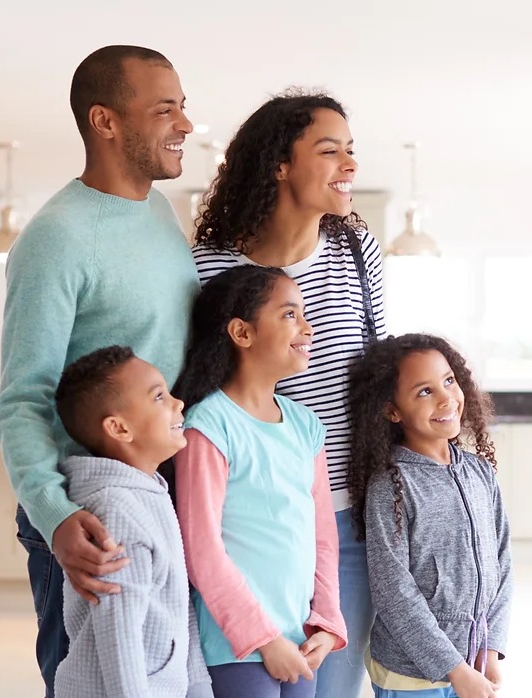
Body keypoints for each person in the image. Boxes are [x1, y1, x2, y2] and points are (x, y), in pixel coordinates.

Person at [0, 44, 197, 696]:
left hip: (154, 494)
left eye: (183, 108)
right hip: (89, 517)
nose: (186, 125)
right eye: (165, 109)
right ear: (106, 121)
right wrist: (53, 514)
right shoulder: (56, 237)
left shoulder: (160, 212)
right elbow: (23, 397)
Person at [192, 88, 385, 697]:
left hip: (343, 526)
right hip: (243, 536)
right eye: (330, 151)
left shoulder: (359, 253)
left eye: (351, 151)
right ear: (279, 163)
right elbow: (195, 385)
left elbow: (377, 378)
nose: (350, 166)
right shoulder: (206, 267)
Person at [172, 265, 349, 697]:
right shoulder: (208, 425)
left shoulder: (307, 426)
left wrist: (325, 620)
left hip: (301, 640)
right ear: (242, 333)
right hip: (239, 647)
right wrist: (263, 639)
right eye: (290, 315)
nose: (307, 328)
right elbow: (201, 550)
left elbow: (322, 538)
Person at [345, 334, 512, 698]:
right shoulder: (392, 484)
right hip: (412, 678)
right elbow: (394, 592)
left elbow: (502, 562)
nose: (445, 398)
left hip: (473, 665)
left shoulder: (479, 472)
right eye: (424, 391)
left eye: (449, 381)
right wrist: (452, 669)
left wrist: (491, 647)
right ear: (392, 410)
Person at [50, 346, 209, 697]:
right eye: (159, 396)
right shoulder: (117, 510)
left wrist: (198, 687)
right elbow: (118, 633)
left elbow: (177, 604)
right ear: (119, 428)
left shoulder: (149, 492)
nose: (177, 403)